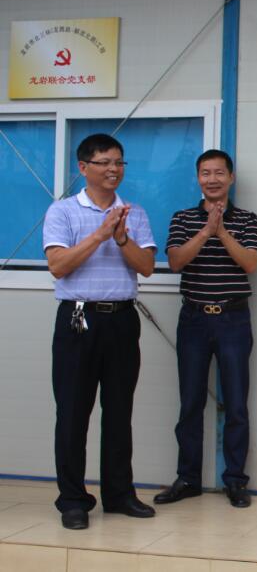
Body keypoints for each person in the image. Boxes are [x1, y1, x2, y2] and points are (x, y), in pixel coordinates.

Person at [43, 133, 157, 530]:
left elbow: (146, 267)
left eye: (119, 162)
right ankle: (73, 500)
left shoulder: (134, 213)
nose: (113, 169)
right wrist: (99, 235)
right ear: (83, 167)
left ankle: (119, 494)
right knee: (73, 413)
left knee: (119, 411)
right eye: (105, 162)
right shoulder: (62, 211)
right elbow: (58, 266)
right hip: (78, 320)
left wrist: (121, 236)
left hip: (122, 320)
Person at [154, 149, 257, 509]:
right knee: (190, 403)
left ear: (231, 177)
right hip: (194, 321)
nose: (212, 179)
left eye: (219, 172)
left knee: (236, 404)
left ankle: (235, 481)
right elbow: (175, 262)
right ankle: (188, 479)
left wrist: (222, 231)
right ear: (198, 178)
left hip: (233, 320)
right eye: (205, 173)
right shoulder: (183, 218)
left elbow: (250, 263)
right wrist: (205, 231)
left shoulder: (247, 219)